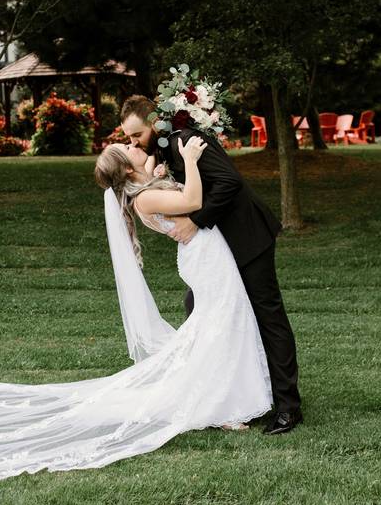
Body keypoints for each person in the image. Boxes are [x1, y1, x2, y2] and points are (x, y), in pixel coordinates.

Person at [0, 136, 273, 480]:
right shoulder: (143, 200)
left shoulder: (145, 189)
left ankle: (225, 399)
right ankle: (220, 405)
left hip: (207, 256)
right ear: (126, 168)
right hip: (206, 259)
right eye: (132, 150)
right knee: (219, 324)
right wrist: (192, 160)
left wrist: (162, 173)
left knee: (222, 323)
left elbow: (174, 196)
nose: (139, 147)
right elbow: (195, 202)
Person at [120, 95, 303, 435]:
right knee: (199, 310)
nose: (133, 142)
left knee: (268, 316)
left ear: (155, 123)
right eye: (128, 139)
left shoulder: (182, 140)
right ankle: (227, 397)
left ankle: (288, 408)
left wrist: (197, 221)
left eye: (136, 135)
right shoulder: (166, 147)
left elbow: (230, 182)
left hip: (247, 238)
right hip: (218, 252)